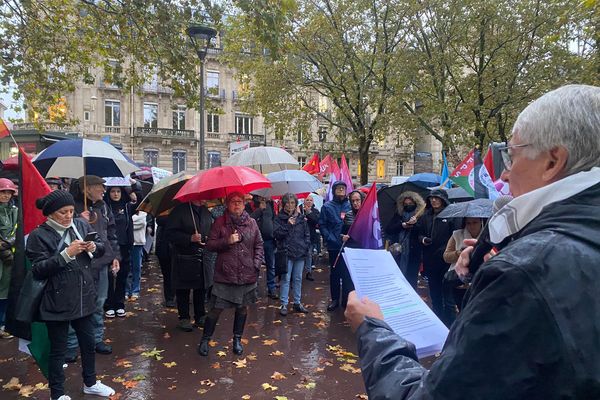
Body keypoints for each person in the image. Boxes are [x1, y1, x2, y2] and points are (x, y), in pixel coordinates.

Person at [345, 84, 600, 399]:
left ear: (552, 161)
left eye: (512, 155)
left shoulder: (523, 272)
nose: (504, 175)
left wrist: (373, 330)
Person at [26, 190, 115, 400]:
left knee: (89, 343)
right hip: (56, 300)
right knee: (59, 349)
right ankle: (57, 394)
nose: (68, 216)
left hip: (84, 295)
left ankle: (90, 383)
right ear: (50, 214)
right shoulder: (39, 235)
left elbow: (101, 247)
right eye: (62, 212)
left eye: (71, 211)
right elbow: (38, 269)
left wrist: (94, 246)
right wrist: (67, 254)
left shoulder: (80, 225)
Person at [199, 192, 264, 356]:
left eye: (240, 202)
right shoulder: (220, 222)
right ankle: (205, 339)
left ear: (244, 204)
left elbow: (259, 245)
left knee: (242, 309)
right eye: (233, 202)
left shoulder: (252, 223)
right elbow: (210, 245)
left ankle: (237, 339)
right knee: (215, 309)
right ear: (227, 204)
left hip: (247, 275)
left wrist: (256, 264)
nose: (237, 205)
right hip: (225, 275)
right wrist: (226, 240)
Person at [66, 176, 120, 361]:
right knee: (76, 302)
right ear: (86, 188)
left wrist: (114, 257)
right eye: (100, 187)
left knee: (99, 302)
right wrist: (75, 218)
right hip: (80, 264)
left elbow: (111, 234)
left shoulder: (103, 207)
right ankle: (72, 345)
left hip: (102, 261)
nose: (104, 190)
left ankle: (96, 339)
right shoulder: (71, 206)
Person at [166, 201, 213, 332]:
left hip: (202, 256)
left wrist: (208, 238)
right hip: (184, 257)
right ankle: (184, 317)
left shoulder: (206, 211)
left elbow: (210, 228)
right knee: (183, 288)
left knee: (200, 287)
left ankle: (200, 315)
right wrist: (189, 238)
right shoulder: (179, 211)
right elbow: (170, 234)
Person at [416, 189, 459, 326]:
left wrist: (446, 249)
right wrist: (423, 240)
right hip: (430, 260)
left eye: (436, 198)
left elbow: (455, 236)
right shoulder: (426, 216)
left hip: (446, 261)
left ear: (443, 200)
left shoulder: (452, 216)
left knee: (448, 296)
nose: (433, 200)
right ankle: (438, 322)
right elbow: (419, 233)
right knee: (434, 294)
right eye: (431, 198)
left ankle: (450, 325)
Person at [274, 193, 311, 316]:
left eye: (292, 203)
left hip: (300, 252)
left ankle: (297, 302)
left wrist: (306, 246)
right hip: (286, 252)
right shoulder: (279, 218)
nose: (290, 205)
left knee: (298, 278)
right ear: (283, 204)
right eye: (288, 203)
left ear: (296, 204)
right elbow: (277, 235)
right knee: (285, 278)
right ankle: (284, 303)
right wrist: (288, 225)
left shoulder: (301, 218)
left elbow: (306, 234)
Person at [442, 217, 484, 318]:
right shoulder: (457, 235)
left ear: (481, 222)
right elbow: (446, 256)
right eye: (468, 223)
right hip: (458, 280)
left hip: (480, 280)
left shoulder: (489, 236)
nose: (472, 226)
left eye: (475, 222)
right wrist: (459, 253)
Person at [319, 181, 351, 311]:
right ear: (334, 191)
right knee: (335, 273)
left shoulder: (350, 206)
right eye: (339, 189)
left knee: (347, 273)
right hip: (334, 245)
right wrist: (329, 238)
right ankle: (335, 299)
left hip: (348, 245)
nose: (341, 191)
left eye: (343, 189)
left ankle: (345, 299)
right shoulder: (327, 206)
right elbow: (322, 225)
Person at [104, 186, 136, 318]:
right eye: (112, 191)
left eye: (118, 191)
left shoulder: (127, 207)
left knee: (122, 275)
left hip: (124, 246)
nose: (115, 194)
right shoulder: (105, 207)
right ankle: (109, 304)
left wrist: (132, 189)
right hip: (109, 246)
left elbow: (139, 197)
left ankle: (119, 303)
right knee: (109, 276)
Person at [384, 191, 425, 289]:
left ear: (416, 204)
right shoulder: (398, 215)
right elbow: (389, 229)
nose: (408, 206)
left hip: (413, 254)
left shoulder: (421, 216)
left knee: (411, 279)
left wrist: (414, 224)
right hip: (399, 252)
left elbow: (423, 232)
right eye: (405, 204)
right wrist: (402, 225)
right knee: (397, 277)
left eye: (410, 204)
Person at [247, 195, 277, 298]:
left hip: (269, 239)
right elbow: (248, 220)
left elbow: (273, 218)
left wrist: (273, 232)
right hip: (254, 241)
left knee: (271, 265)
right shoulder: (249, 205)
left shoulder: (270, 204)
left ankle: (271, 288)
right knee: (255, 265)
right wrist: (260, 209)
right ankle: (253, 289)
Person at [0, 178, 17, 339]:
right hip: (4, 258)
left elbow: (19, 229)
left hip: (11, 258)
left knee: (6, 292)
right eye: (2, 192)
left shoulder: (14, 210)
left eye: (8, 192)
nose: (5, 195)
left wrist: (8, 244)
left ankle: (3, 324)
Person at [155, 215, 175, 308]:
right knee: (167, 274)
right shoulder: (164, 210)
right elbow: (159, 220)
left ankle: (177, 295)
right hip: (164, 246)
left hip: (179, 246)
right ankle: (169, 298)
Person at [299, 194, 320, 281]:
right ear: (304, 201)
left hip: (311, 236)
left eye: (310, 200)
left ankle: (308, 271)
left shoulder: (315, 211)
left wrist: (309, 213)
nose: (309, 202)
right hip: (300, 236)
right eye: (307, 200)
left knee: (309, 254)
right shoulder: (299, 210)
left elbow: (316, 221)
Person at [128, 210, 147, 300]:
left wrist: (130, 223)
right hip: (128, 242)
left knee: (137, 267)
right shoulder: (127, 211)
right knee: (128, 267)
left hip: (138, 243)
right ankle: (127, 290)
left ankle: (135, 290)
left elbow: (141, 224)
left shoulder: (144, 214)